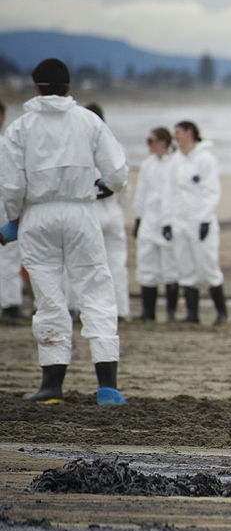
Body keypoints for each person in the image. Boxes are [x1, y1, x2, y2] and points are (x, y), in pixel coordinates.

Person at [0, 58, 129, 404]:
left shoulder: (20, 128)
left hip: (37, 216)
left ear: (35, 87)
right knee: (96, 292)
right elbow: (117, 171)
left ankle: (51, 386)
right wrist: (104, 187)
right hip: (81, 211)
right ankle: (107, 387)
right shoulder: (88, 121)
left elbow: (10, 185)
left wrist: (14, 219)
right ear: (69, 88)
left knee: (49, 298)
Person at [171, 120, 228, 325]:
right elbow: (170, 192)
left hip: (200, 221)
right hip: (180, 221)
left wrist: (204, 219)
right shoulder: (176, 160)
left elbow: (211, 191)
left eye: (178, 132)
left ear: (190, 133)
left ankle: (222, 314)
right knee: (186, 268)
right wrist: (169, 221)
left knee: (208, 266)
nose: (175, 136)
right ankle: (192, 314)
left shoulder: (205, 159)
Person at [83, 103, 131, 321]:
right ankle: (121, 310)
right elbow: (124, 182)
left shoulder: (81, 145)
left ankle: (82, 309)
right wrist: (119, 207)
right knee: (116, 263)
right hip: (112, 209)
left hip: (91, 209)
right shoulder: (116, 146)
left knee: (85, 264)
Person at [132, 127, 179, 321]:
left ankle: (171, 312)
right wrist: (138, 217)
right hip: (149, 219)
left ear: (162, 141)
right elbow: (141, 192)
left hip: (169, 219)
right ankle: (148, 311)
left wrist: (170, 221)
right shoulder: (147, 164)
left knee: (170, 267)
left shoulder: (175, 163)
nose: (148, 145)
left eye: (151, 141)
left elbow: (175, 194)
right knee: (146, 264)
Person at [0, 98, 26, 322]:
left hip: (4, 204)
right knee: (8, 256)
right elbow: (12, 184)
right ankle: (9, 304)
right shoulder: (5, 145)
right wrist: (14, 215)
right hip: (3, 206)